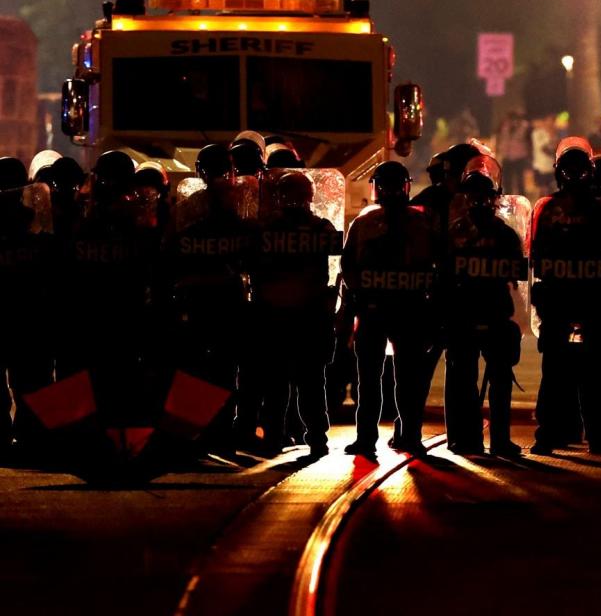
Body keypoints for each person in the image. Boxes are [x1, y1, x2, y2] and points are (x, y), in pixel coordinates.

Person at [340, 161, 440, 456]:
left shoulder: (369, 222)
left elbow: (350, 269)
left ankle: (384, 436)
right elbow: (350, 269)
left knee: (391, 379)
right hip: (391, 310)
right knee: (387, 379)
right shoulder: (415, 223)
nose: (393, 192)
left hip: (393, 310)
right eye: (389, 186)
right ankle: (393, 436)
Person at [529, 139, 601, 454]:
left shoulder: (596, 206)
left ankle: (589, 436)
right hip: (567, 301)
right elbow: (536, 257)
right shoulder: (550, 207)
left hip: (587, 301)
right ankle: (568, 435)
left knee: (585, 375)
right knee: (564, 375)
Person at [166, 144, 258, 452]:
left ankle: (200, 430)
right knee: (223, 367)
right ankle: (220, 429)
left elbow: (172, 249)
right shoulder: (242, 205)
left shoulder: (191, 207)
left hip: (201, 298)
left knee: (201, 368)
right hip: (225, 297)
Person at [248, 172, 339, 458]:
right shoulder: (321, 228)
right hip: (307, 320)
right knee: (310, 384)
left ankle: (276, 438)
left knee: (277, 385)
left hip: (277, 319)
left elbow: (253, 270)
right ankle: (315, 439)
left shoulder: (266, 230)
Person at [443, 156, 526, 457]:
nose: (478, 200)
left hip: (493, 314)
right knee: (462, 381)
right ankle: (465, 438)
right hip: (464, 315)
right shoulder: (455, 233)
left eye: (483, 194)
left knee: (499, 382)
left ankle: (498, 439)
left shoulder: (502, 234)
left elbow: (518, 274)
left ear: (493, 198)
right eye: (472, 194)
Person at [0, 157, 52, 458]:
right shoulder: (33, 219)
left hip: (21, 310)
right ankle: (32, 434)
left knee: (29, 378)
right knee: (30, 379)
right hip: (27, 312)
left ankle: (15, 434)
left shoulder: (33, 218)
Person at [496, 111, 531, 197]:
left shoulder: (524, 126)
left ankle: (522, 199)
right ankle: (508, 198)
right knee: (507, 180)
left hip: (519, 156)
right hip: (507, 156)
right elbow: (499, 137)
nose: (512, 121)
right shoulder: (504, 126)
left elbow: (528, 140)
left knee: (520, 180)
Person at [530, 116, 556, 195]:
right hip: (540, 165)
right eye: (549, 121)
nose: (551, 124)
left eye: (552, 122)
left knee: (551, 188)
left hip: (551, 166)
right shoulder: (538, 133)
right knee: (543, 189)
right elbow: (542, 148)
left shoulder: (553, 133)